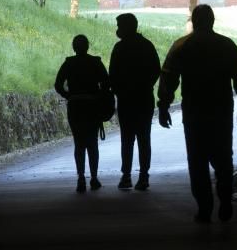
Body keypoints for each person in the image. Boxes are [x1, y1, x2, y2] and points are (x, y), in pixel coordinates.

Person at [158, 4, 237, 222]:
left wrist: (163, 105)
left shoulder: (182, 45)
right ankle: (225, 201)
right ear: (212, 20)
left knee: (197, 160)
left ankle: (204, 207)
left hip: (194, 111)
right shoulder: (226, 45)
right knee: (223, 157)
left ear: (193, 20)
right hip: (221, 110)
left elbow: (169, 76)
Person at [109, 12, 161, 191]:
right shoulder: (147, 46)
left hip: (126, 100)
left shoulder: (119, 48)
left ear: (126, 27)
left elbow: (112, 74)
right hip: (144, 98)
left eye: (119, 26)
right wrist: (146, 86)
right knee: (144, 138)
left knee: (127, 139)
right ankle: (144, 176)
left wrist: (118, 91)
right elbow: (156, 70)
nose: (117, 30)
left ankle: (126, 176)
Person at [54, 34, 110, 193]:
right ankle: (94, 178)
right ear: (87, 46)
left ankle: (80, 178)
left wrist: (69, 96)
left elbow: (58, 84)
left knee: (79, 143)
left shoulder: (68, 63)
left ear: (74, 47)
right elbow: (106, 83)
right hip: (92, 106)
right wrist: (98, 97)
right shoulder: (96, 62)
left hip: (75, 106)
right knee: (92, 143)